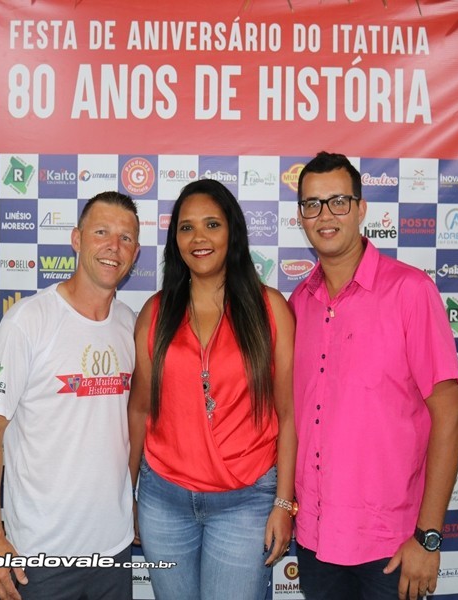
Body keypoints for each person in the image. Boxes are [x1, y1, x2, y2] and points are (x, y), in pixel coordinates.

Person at [290, 152, 458, 600]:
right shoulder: (299, 302)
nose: (325, 215)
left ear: (361, 208)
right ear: (301, 216)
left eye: (338, 202)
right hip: (315, 539)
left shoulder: (411, 291)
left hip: (392, 546)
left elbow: (449, 416)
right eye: (312, 204)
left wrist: (428, 537)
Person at [127, 178, 297, 600]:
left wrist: (283, 503)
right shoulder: (155, 312)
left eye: (212, 225)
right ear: (175, 240)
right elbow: (139, 410)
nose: (198, 238)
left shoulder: (270, 309)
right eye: (186, 227)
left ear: (232, 232)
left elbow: (289, 414)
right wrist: (125, 495)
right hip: (163, 501)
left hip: (246, 503)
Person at [0, 191, 141, 600]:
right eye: (101, 232)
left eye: (125, 238)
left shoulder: (130, 325)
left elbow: (131, 427)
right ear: (77, 239)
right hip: (40, 557)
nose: (113, 247)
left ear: (135, 253)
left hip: (113, 550)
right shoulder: (28, 321)